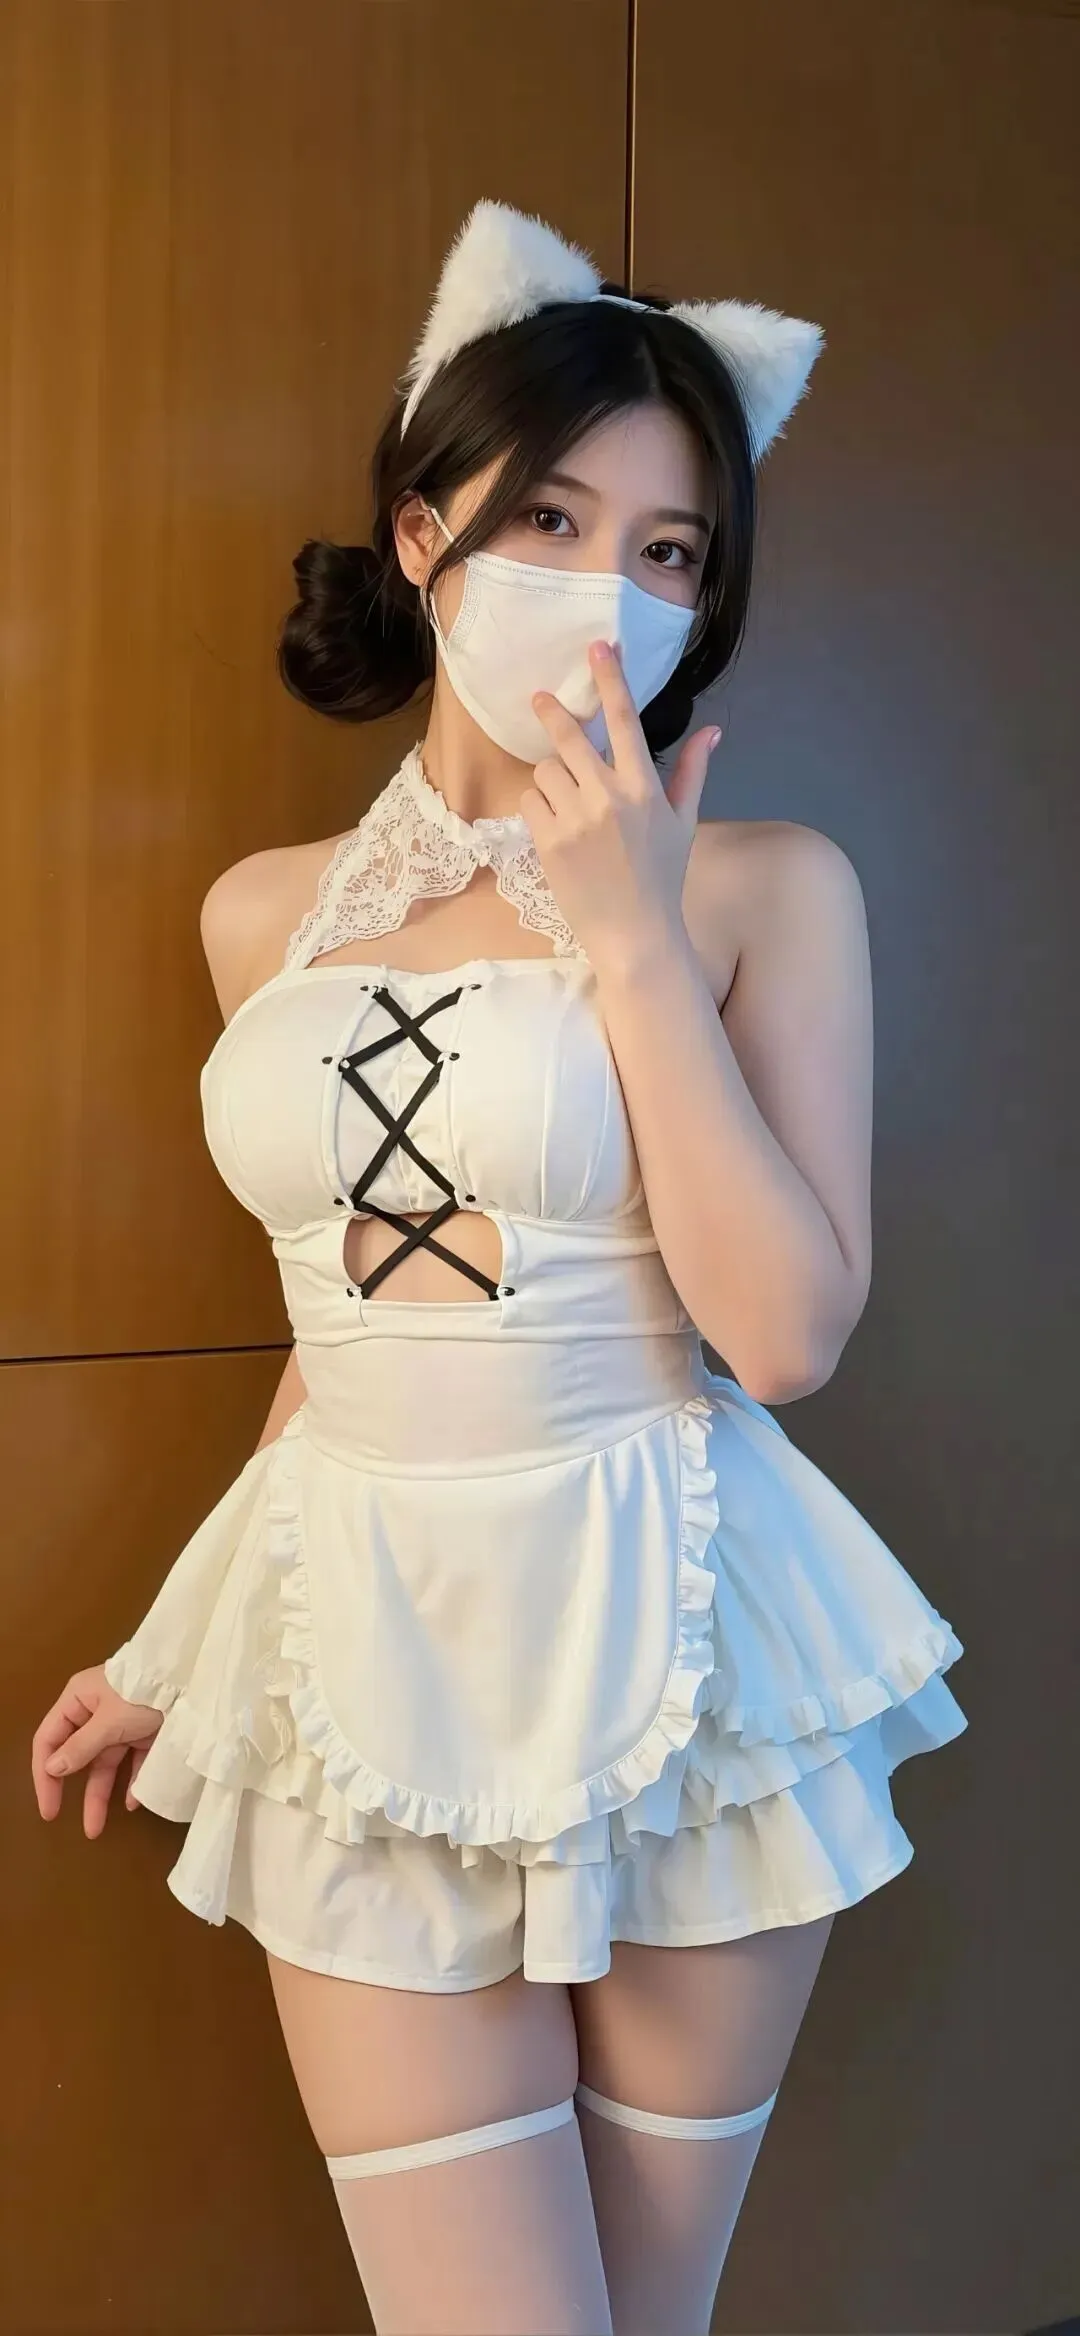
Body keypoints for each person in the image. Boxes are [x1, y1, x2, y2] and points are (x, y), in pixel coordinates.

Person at [30, 201, 967, 2336]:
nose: (610, 585)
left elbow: (784, 1335)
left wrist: (628, 932)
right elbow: (337, 1336)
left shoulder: (765, 889)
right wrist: (177, 1644)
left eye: (669, 550)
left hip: (687, 1643)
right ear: (424, 530)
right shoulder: (263, 917)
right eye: (553, 516)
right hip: (359, 1642)